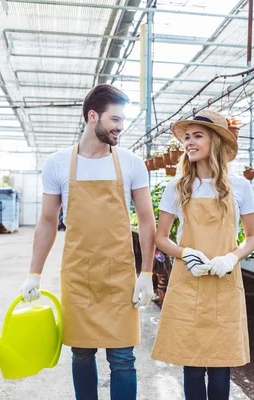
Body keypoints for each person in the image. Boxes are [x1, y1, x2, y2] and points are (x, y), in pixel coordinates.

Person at [20, 84, 156, 400]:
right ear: (92, 116)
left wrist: (146, 273)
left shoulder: (132, 163)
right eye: (115, 119)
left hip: (120, 275)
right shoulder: (57, 164)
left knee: (122, 358)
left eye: (123, 120)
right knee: (81, 354)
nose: (121, 126)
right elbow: (47, 222)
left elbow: (147, 222)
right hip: (79, 275)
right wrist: (34, 273)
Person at [151, 109, 254, 400]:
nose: (189, 142)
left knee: (221, 367)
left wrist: (231, 258)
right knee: (193, 366)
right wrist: (186, 253)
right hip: (189, 281)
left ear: (216, 142)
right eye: (186, 137)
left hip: (224, 283)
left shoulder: (240, 187)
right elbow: (161, 238)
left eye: (198, 136)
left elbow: (252, 238)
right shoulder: (177, 187)